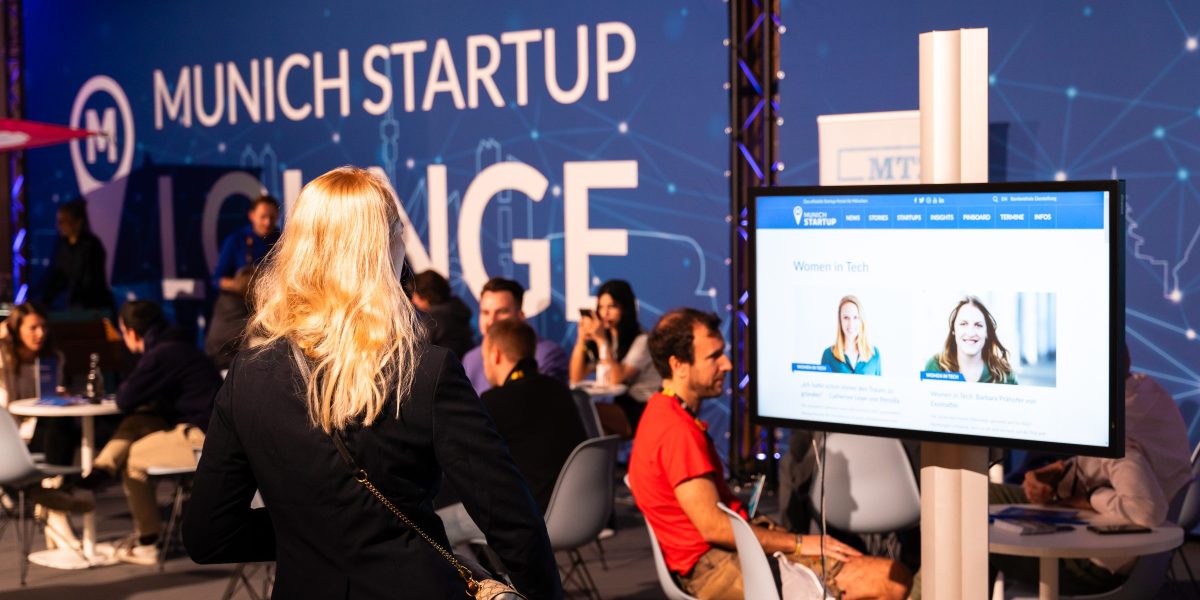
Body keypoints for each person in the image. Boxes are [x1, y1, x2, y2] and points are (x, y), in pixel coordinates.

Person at [183, 167, 562, 599]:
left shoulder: (247, 375)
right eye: (399, 234)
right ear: (385, 250)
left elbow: (208, 534)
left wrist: (305, 532)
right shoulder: (425, 371)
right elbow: (512, 521)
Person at [629, 308, 910, 600]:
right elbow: (714, 528)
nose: (727, 364)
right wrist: (799, 543)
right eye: (714, 357)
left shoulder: (663, 413)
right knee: (892, 581)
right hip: (720, 566)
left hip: (725, 556)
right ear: (678, 365)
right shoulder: (676, 430)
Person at [987, 346, 1192, 595]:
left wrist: (1092, 497)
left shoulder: (1114, 430)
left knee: (967, 533)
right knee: (981, 498)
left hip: (1092, 566)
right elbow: (1106, 465)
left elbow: (1147, 510)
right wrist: (1060, 472)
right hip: (1125, 553)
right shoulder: (1143, 389)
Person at [78, 300, 222, 565]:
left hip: (207, 440)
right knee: (138, 422)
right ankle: (101, 469)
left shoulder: (161, 354)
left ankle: (147, 542)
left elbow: (124, 398)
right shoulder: (180, 346)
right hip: (201, 428)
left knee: (133, 459)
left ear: (131, 331)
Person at [481, 318, 587, 512]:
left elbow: (473, 465)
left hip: (530, 515)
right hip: (583, 509)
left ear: (495, 355)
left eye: (484, 358)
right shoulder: (560, 390)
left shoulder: (493, 401)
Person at [570, 279, 662, 429]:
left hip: (644, 409)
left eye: (612, 307)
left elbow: (616, 378)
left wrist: (601, 340)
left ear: (625, 308)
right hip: (621, 405)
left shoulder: (642, 340)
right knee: (581, 415)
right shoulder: (608, 339)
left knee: (585, 412)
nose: (605, 313)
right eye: (601, 307)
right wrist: (581, 339)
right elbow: (576, 377)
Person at [205, 195, 281, 369]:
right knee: (222, 349)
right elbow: (217, 279)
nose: (267, 222)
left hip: (267, 306)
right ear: (251, 215)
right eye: (263, 217)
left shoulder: (281, 240)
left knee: (265, 354)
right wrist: (238, 285)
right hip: (235, 304)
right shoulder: (236, 239)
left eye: (272, 217)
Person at [461, 277, 569, 395]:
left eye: (501, 312)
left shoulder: (547, 356)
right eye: (485, 312)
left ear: (521, 316)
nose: (491, 321)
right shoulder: (470, 360)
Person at [39, 199, 113, 311]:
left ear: (78, 222)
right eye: (59, 221)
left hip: (95, 306)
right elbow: (59, 277)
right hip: (75, 305)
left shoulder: (92, 245)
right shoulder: (63, 245)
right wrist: (44, 301)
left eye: (64, 221)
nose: (60, 225)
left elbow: (92, 279)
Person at [924, 296, 1017, 384]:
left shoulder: (1005, 376)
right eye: (963, 324)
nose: (971, 333)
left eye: (978, 325)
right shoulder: (935, 367)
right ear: (953, 330)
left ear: (987, 332)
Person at [410, 270, 474, 360]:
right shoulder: (457, 308)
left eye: (414, 294)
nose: (413, 300)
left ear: (426, 295)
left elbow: (418, 353)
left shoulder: (434, 320)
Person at [818, 295, 881, 375]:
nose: (851, 324)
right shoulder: (828, 355)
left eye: (855, 317)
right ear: (840, 321)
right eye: (846, 318)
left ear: (861, 320)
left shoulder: (874, 354)